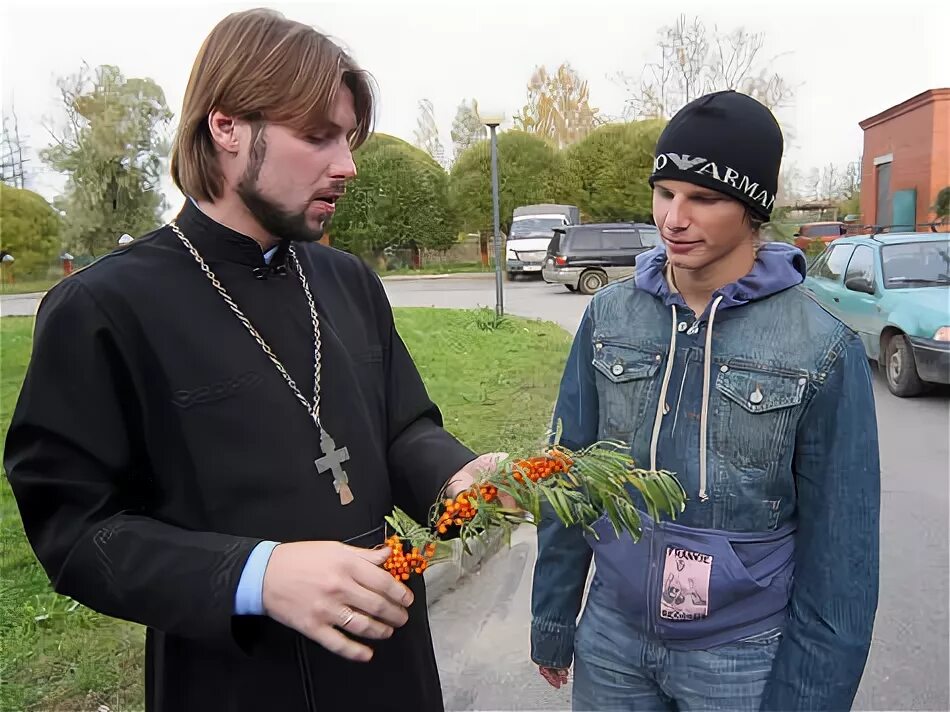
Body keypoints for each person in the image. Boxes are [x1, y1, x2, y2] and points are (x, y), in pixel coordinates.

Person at [5, 9, 502, 712]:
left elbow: (399, 428)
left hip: (391, 667)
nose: (348, 164)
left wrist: (454, 478)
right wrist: (258, 574)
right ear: (227, 126)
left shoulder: (348, 281)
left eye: (349, 137)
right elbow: (76, 531)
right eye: (317, 136)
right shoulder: (104, 306)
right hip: (233, 681)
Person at [530, 90, 880, 711]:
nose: (674, 218)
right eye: (665, 192)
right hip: (613, 637)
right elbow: (568, 476)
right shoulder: (609, 316)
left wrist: (810, 698)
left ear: (753, 210)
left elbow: (843, 554)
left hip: (743, 652)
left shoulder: (822, 345)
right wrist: (555, 619)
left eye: (705, 198)